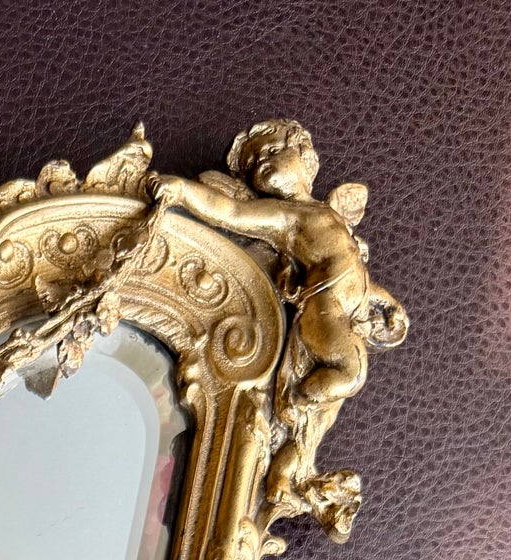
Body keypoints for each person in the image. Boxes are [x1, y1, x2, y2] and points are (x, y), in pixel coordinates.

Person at [151, 119, 407, 536]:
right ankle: (301, 395)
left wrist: (388, 303)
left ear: (305, 159)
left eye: (271, 152)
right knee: (351, 371)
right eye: (254, 164)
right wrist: (181, 191)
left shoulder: (325, 214)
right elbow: (231, 211)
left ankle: (288, 474)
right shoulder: (285, 215)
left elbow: (353, 272)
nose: (260, 166)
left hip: (345, 312)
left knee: (316, 426)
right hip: (321, 316)